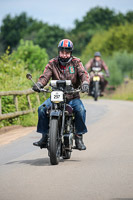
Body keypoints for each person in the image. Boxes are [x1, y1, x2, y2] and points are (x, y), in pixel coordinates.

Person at [32, 39, 90, 150]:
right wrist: (39, 84)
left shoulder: (76, 62)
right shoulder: (52, 63)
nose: (64, 55)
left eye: (67, 52)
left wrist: (85, 83)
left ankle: (78, 137)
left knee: (81, 110)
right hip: (56, 96)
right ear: (59, 52)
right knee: (42, 109)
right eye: (62, 52)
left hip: (72, 96)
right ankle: (45, 136)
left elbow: (83, 74)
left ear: (71, 53)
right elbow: (45, 76)